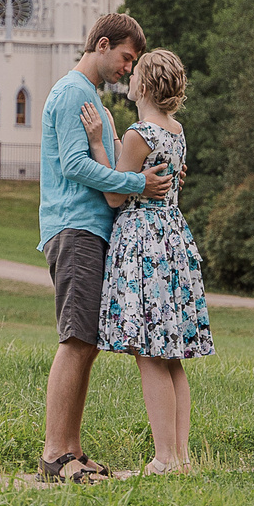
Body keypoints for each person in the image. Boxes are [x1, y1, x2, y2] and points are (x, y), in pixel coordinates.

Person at [36, 13, 173, 484]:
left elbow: (101, 157)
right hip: (75, 227)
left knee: (86, 342)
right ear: (102, 44)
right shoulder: (74, 91)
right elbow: (75, 165)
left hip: (90, 229)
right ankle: (56, 455)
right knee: (75, 340)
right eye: (125, 57)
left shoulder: (90, 98)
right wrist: (138, 182)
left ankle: (72, 449)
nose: (127, 69)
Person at [81, 47, 210, 473]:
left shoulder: (140, 133)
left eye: (136, 73)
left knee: (150, 352)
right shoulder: (176, 131)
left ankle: (163, 457)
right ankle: (182, 457)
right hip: (171, 236)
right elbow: (141, 172)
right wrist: (119, 141)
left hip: (143, 239)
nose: (129, 76)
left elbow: (116, 192)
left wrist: (99, 141)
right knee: (170, 355)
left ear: (145, 86)